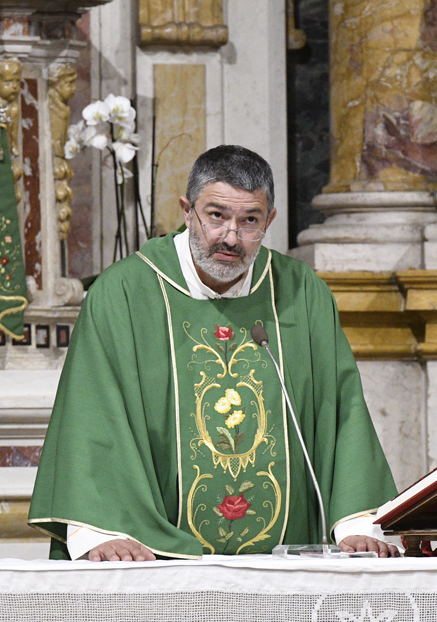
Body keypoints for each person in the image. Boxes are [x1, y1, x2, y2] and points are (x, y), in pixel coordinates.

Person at [29, 145, 398, 560]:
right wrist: (100, 529)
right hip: (154, 557)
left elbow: (341, 406)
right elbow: (91, 414)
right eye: (217, 216)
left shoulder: (300, 291)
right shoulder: (126, 293)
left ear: (269, 220)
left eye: (250, 221)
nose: (231, 238)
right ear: (188, 211)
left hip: (286, 566)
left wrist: (354, 522)